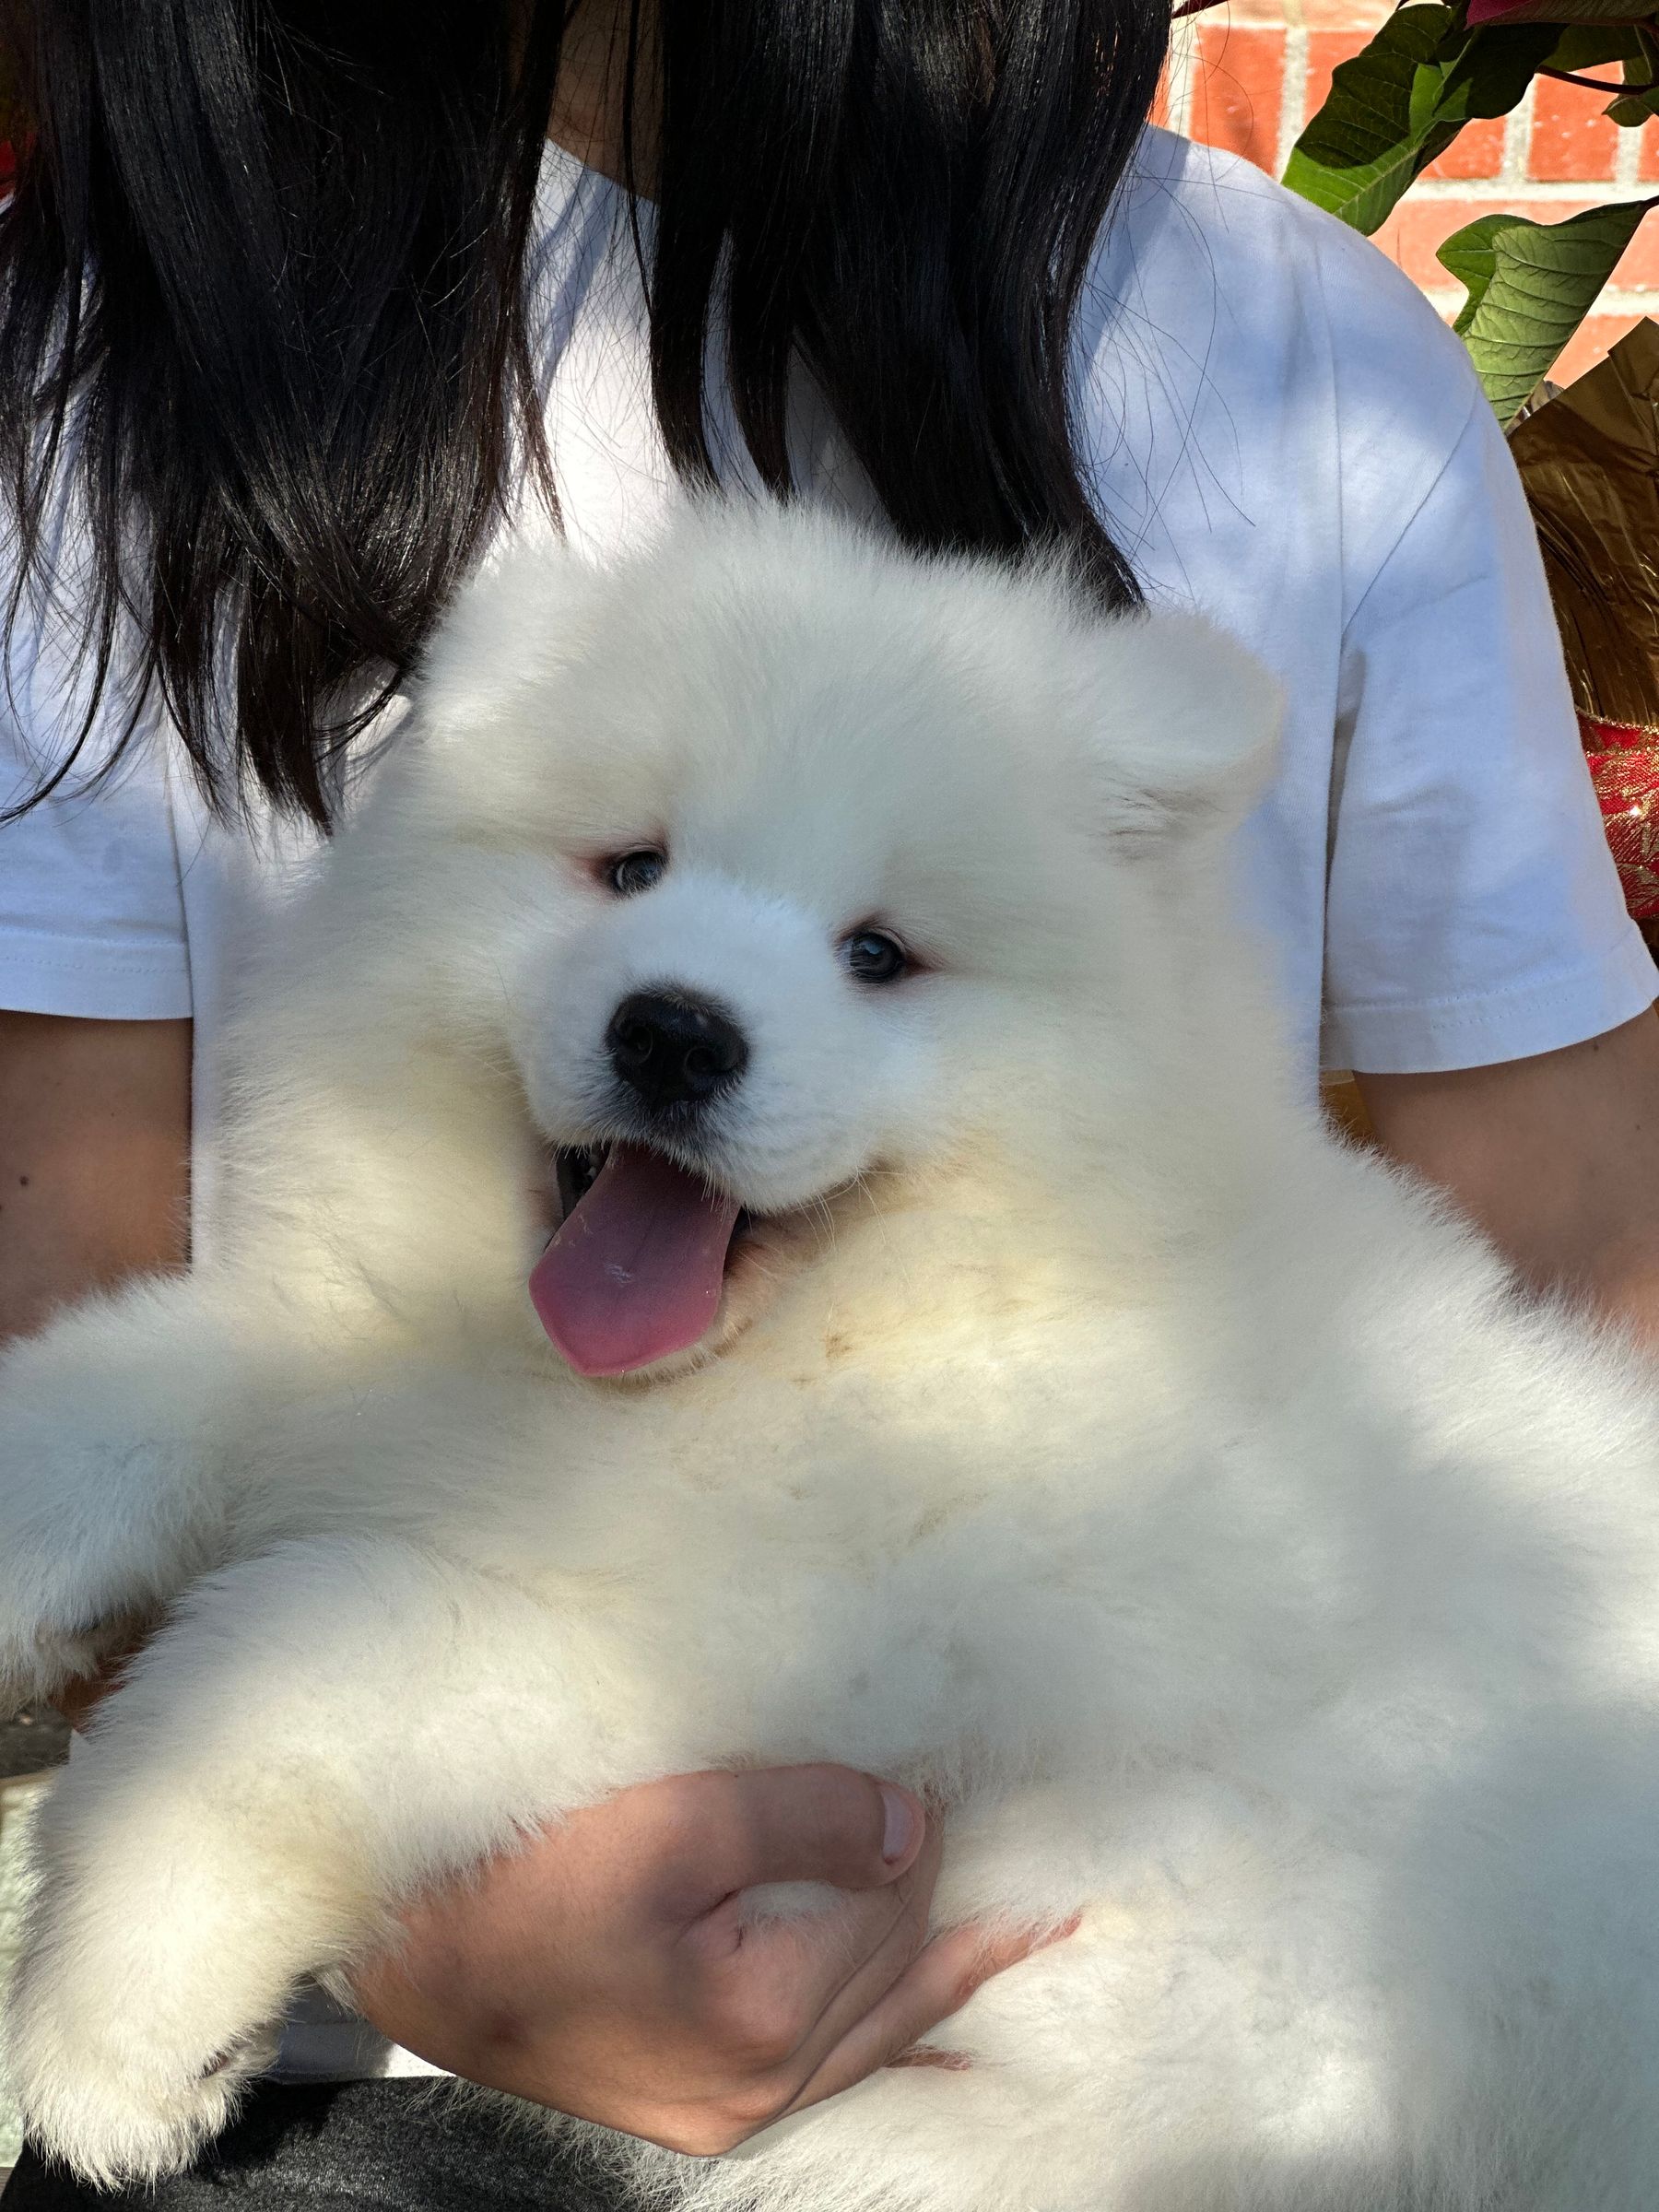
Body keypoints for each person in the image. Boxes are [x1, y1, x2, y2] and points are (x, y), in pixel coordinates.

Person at [4, 1, 1659, 2205]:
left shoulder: (1302, 356)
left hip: (1196, 2041)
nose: (692, 994)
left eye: (881, 960)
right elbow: (138, 1311)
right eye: (627, 871)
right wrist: (413, 1929)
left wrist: (242, 1797)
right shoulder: (113, 358)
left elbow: (1585, 1265)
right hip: (364, 2102)